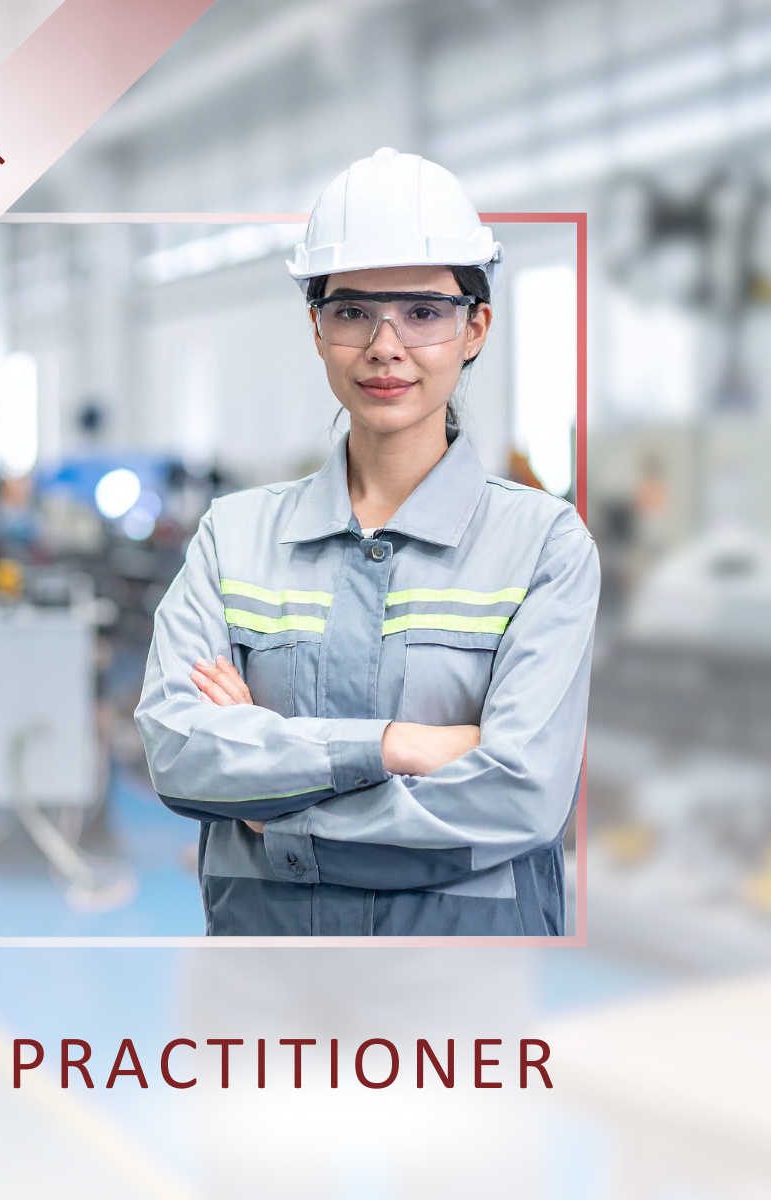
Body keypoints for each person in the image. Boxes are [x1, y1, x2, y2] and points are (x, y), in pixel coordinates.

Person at [135, 148, 599, 936]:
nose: (385, 345)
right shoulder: (234, 538)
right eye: (352, 311)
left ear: (474, 328)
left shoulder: (542, 546)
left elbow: (517, 791)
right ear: (316, 328)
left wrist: (278, 807)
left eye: (423, 312)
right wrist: (405, 745)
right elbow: (181, 752)